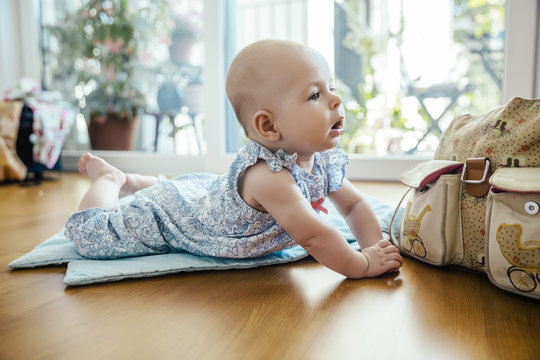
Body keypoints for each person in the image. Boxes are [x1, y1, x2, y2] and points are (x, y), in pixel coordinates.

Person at [65, 39, 403, 278]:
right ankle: (113, 180)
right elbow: (313, 235)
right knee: (92, 237)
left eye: (329, 87)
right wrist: (361, 265)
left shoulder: (322, 161)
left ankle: (139, 182)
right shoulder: (268, 178)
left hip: (210, 199)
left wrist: (376, 247)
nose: (335, 99)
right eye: (316, 94)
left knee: (197, 190)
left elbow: (354, 206)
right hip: (181, 220)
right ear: (268, 125)